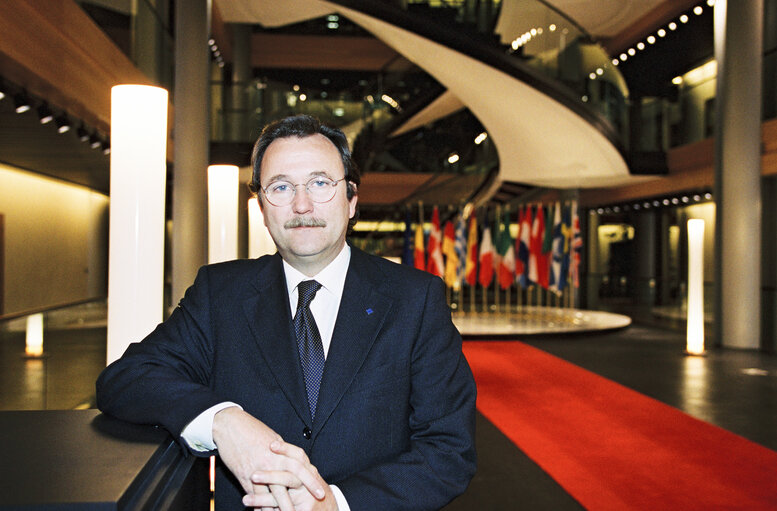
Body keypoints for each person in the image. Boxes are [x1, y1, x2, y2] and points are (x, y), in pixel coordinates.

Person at [96, 114, 476, 510]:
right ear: (262, 206)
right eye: (281, 187)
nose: (301, 204)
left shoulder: (416, 300)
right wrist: (223, 422)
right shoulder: (220, 294)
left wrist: (335, 504)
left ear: (351, 199)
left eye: (319, 183)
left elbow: (449, 450)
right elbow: (126, 377)